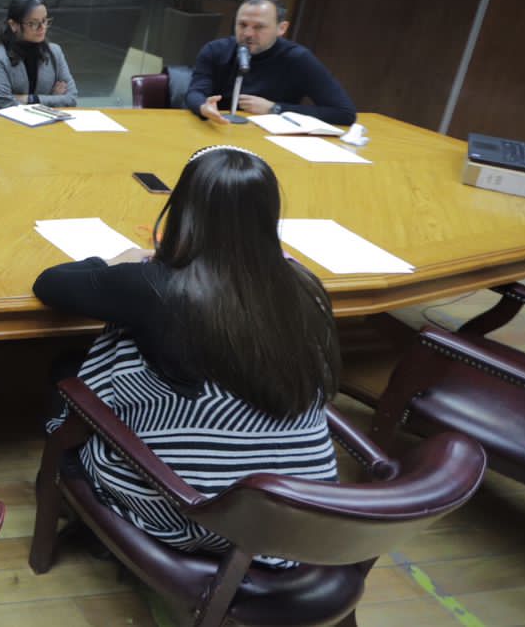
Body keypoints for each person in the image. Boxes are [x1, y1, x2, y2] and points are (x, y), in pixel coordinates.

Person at [32, 146, 339, 563]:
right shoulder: (303, 285)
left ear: (185, 209)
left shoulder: (156, 285)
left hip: (197, 516)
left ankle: (93, 520)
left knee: (67, 374)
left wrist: (112, 262)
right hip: (301, 512)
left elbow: (50, 284)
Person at [186, 0, 355, 126]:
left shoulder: (298, 59)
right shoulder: (215, 50)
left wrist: (275, 109)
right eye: (242, 25)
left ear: (281, 28)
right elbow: (195, 92)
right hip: (218, 127)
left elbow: (344, 113)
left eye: (259, 27)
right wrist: (203, 107)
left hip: (272, 138)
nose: (247, 34)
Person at [0, 0, 77, 110]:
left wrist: (29, 99)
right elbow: (4, 105)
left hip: (45, 124)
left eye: (44, 21)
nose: (42, 28)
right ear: (14, 25)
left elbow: (71, 99)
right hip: (3, 125)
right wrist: (52, 98)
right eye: (33, 23)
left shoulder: (55, 52)